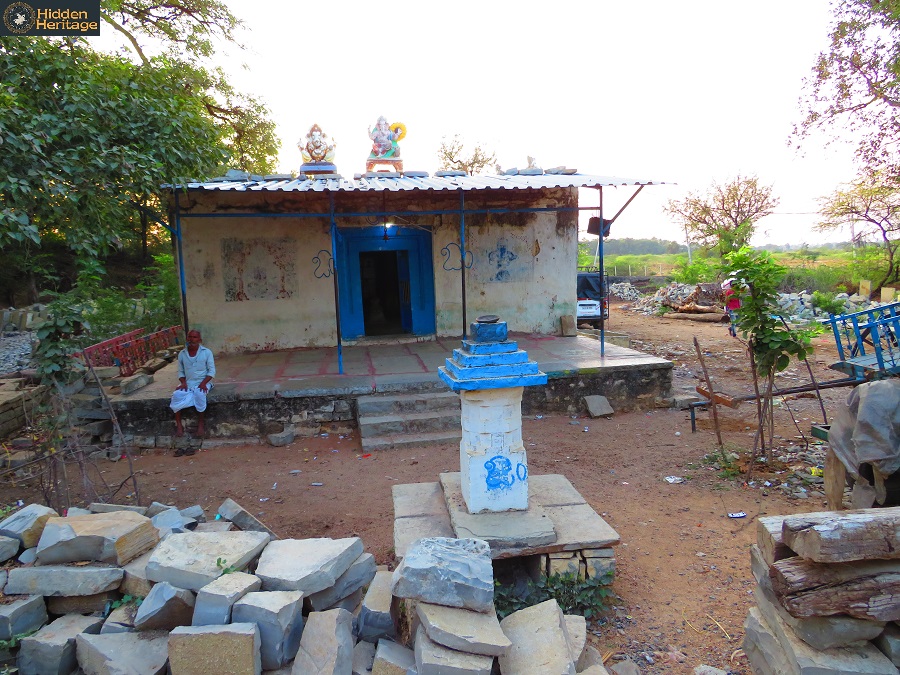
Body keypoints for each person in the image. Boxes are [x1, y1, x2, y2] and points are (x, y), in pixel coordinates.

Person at [169, 329, 215, 451]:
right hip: (188, 384)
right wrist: (183, 383)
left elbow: (211, 372)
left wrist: (204, 383)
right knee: (176, 395)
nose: (191, 339)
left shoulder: (207, 352)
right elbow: (180, 372)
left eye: (194, 337)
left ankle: (201, 423)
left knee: (200, 395)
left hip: (204, 383)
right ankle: (179, 425)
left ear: (199, 340)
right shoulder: (182, 354)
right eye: (190, 337)